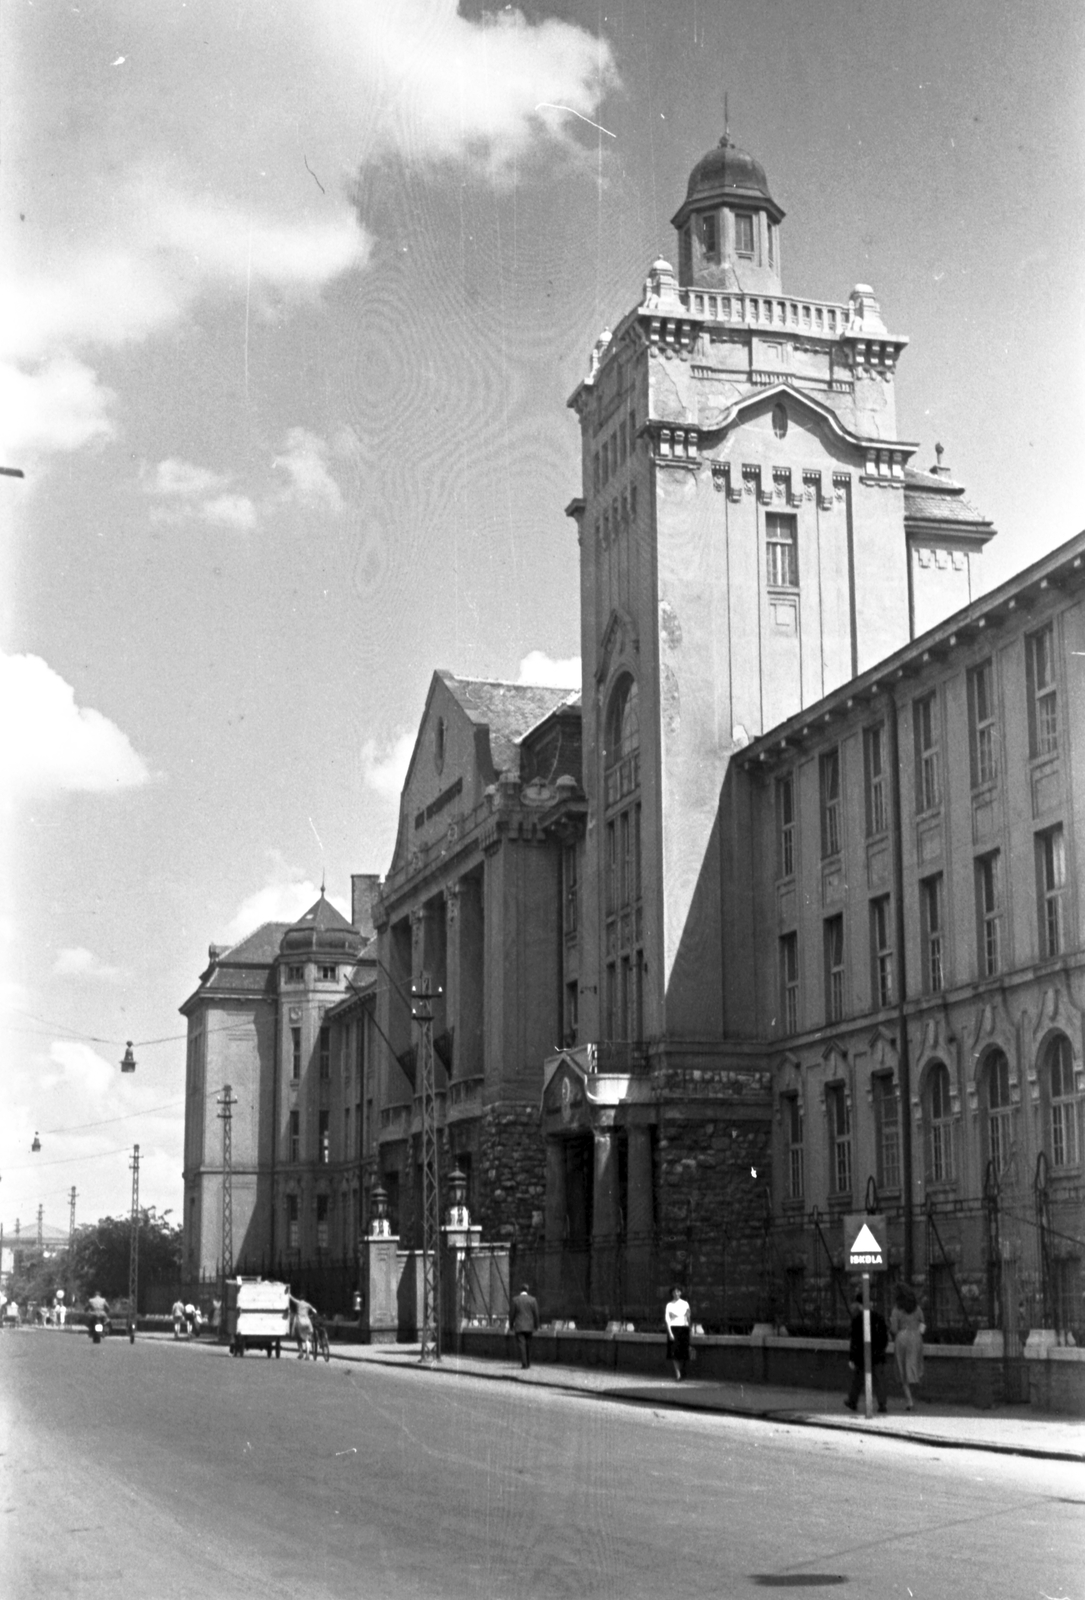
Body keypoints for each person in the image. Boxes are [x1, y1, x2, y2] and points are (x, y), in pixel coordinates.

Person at [844, 1290, 889, 1414]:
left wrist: (852, 1357)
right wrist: (881, 1349)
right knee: (879, 1379)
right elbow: (885, 1337)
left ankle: (852, 1401)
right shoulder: (879, 1317)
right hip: (878, 1353)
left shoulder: (857, 1319)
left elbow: (854, 1340)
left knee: (858, 1380)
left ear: (859, 1304)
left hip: (861, 1355)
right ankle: (882, 1403)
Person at [890, 1284, 925, 1411]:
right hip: (916, 1336)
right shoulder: (917, 1309)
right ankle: (916, 1388)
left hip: (902, 1337)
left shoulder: (896, 1310)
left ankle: (909, 1401)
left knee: (902, 1369)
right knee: (915, 1365)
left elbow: (894, 1328)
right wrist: (917, 1333)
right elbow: (922, 1324)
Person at [508, 1284, 540, 1369]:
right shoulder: (533, 1300)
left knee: (522, 1345)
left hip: (519, 1326)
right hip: (529, 1326)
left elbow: (512, 1314)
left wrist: (511, 1325)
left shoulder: (515, 1300)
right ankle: (528, 1363)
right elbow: (536, 1314)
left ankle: (524, 1364)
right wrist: (536, 1325)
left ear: (520, 1290)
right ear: (527, 1290)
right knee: (528, 1344)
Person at [664, 1285, 692, 1381]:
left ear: (681, 1293)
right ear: (672, 1293)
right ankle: (678, 1374)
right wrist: (670, 1333)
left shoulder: (685, 1304)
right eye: (674, 1292)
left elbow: (688, 1317)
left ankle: (683, 1371)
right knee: (674, 1353)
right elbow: (667, 1319)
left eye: (678, 1291)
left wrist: (689, 1328)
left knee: (683, 1352)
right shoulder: (669, 1305)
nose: (676, 1294)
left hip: (683, 1329)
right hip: (674, 1329)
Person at [290, 1294, 316, 1359]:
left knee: (298, 1338)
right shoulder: (308, 1304)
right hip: (307, 1322)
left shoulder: (298, 1303)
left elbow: (291, 1298)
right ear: (304, 1299)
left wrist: (288, 1293)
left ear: (300, 1298)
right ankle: (307, 1354)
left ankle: (301, 1353)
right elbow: (314, 1311)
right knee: (307, 1339)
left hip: (300, 1322)